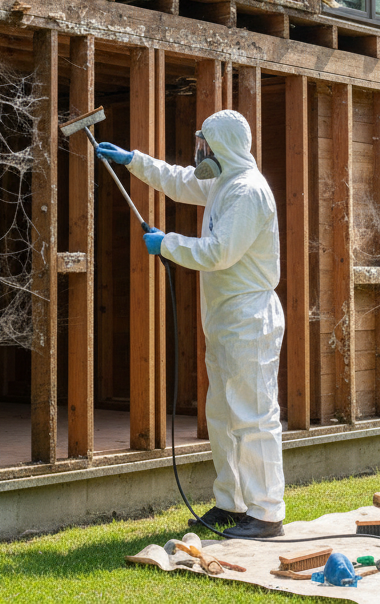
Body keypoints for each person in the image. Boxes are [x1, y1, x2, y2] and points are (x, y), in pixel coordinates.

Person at [96, 110, 287, 539]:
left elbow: (219, 253)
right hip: (226, 318)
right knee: (222, 415)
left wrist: (168, 243)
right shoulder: (223, 183)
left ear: (222, 146)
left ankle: (267, 512)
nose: (199, 151)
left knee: (253, 416)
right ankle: (232, 504)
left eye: (204, 143)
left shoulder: (247, 192)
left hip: (249, 319)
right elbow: (181, 182)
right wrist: (133, 161)